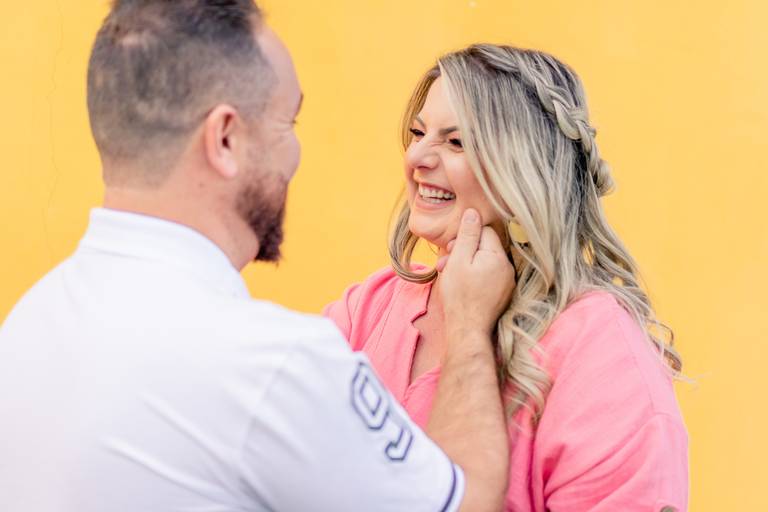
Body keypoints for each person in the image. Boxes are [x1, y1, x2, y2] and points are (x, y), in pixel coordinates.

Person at [0, 2, 513, 511]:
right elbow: (465, 503)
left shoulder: (29, 324)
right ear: (225, 138)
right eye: (287, 122)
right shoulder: (271, 365)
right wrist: (468, 326)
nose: (295, 155)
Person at [325, 45, 689, 511]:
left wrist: (467, 327)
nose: (416, 156)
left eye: (456, 142)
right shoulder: (370, 308)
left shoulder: (601, 355)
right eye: (418, 133)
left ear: (524, 171)